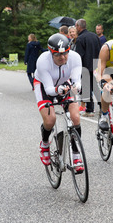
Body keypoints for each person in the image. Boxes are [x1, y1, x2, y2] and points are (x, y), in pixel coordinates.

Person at [33, 33, 83, 173]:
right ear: (50, 52)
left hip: (64, 85)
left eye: (65, 53)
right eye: (57, 55)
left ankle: (76, 155)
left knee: (75, 118)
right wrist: (58, 90)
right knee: (50, 120)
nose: (62, 57)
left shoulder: (75, 57)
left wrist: (77, 86)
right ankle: (44, 144)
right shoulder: (43, 61)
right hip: (44, 86)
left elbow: (76, 80)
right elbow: (49, 89)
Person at [75, 19, 101, 117]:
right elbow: (99, 50)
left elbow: (79, 56)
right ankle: (102, 106)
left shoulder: (80, 38)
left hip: (84, 66)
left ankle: (90, 109)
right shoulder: (94, 36)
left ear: (78, 26)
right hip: (95, 65)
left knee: (86, 89)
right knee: (95, 87)